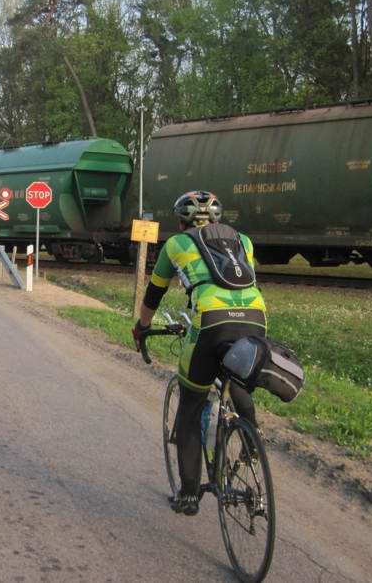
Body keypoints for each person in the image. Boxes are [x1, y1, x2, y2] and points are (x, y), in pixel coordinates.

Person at [132, 190, 266, 516]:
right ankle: (252, 441)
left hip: (211, 322)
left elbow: (155, 291)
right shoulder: (243, 241)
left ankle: (189, 495)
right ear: (218, 219)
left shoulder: (176, 245)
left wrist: (142, 327)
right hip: (256, 319)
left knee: (191, 408)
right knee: (236, 382)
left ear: (181, 221)